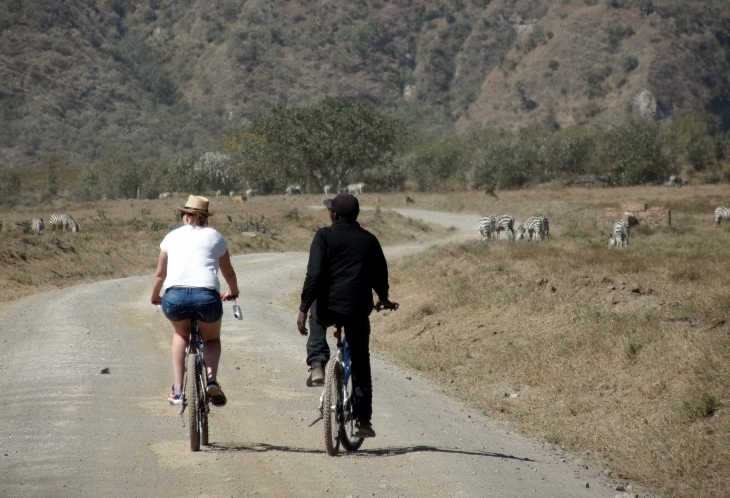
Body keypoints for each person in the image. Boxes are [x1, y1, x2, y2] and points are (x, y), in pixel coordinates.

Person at [297, 193, 398, 438]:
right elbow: (380, 276)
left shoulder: (323, 236)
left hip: (328, 307)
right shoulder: (370, 240)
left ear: (335, 214)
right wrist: (383, 299)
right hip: (357, 309)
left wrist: (302, 308)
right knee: (361, 359)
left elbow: (314, 276)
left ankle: (318, 363)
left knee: (316, 309)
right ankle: (363, 420)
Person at [150, 195, 239, 407]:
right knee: (211, 340)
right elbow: (228, 272)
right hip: (207, 297)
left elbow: (160, 275)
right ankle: (211, 380)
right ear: (204, 218)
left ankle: (179, 390)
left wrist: (155, 296)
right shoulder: (216, 237)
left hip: (174, 297)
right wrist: (233, 292)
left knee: (181, 333)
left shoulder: (171, 237)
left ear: (187, 217)